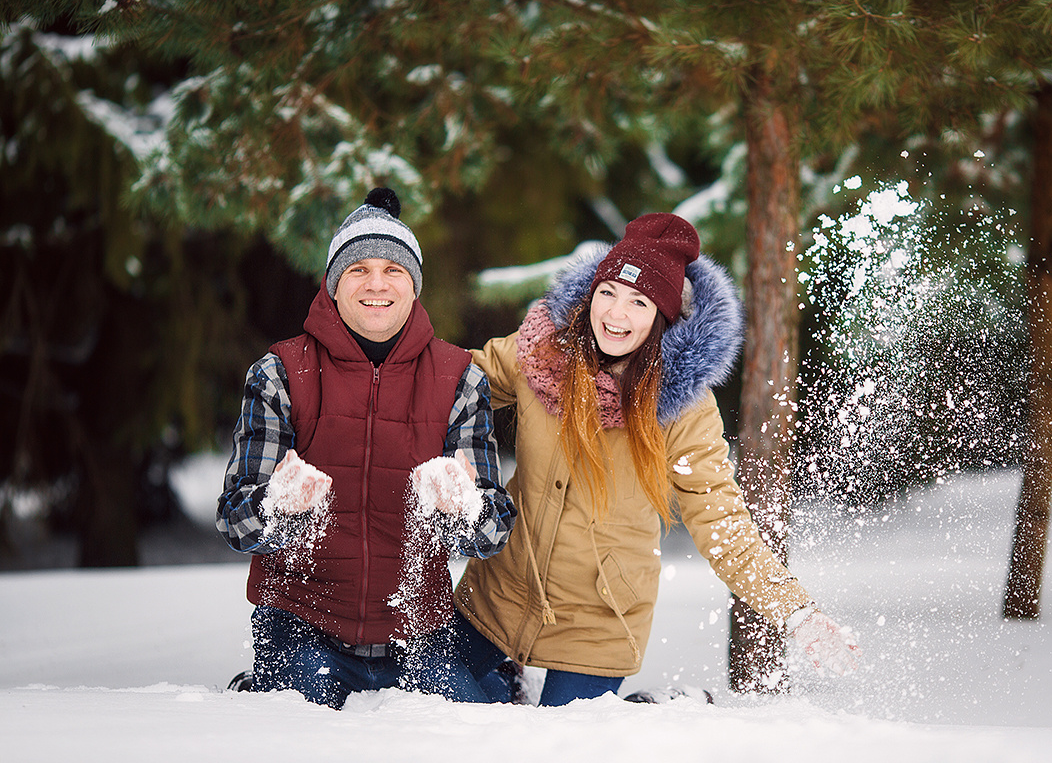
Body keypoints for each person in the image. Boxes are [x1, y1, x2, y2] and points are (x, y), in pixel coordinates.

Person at [450, 212, 861, 706]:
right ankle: (507, 683)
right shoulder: (543, 354)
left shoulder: (683, 408)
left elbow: (722, 522)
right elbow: (450, 385)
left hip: (599, 620)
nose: (616, 314)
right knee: (436, 703)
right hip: (500, 593)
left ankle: (658, 710)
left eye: (638, 302)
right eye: (608, 293)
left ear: (663, 315)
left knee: (564, 745)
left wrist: (796, 612)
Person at [216, 187, 516, 709]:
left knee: (475, 736)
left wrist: (462, 509)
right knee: (299, 739)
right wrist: (276, 508)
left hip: (416, 632)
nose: (376, 284)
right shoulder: (281, 374)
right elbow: (234, 524)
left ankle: (495, 683)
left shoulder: (458, 378)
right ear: (334, 285)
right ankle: (263, 685)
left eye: (393, 270)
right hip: (303, 624)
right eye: (358, 270)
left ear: (414, 286)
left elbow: (493, 534)